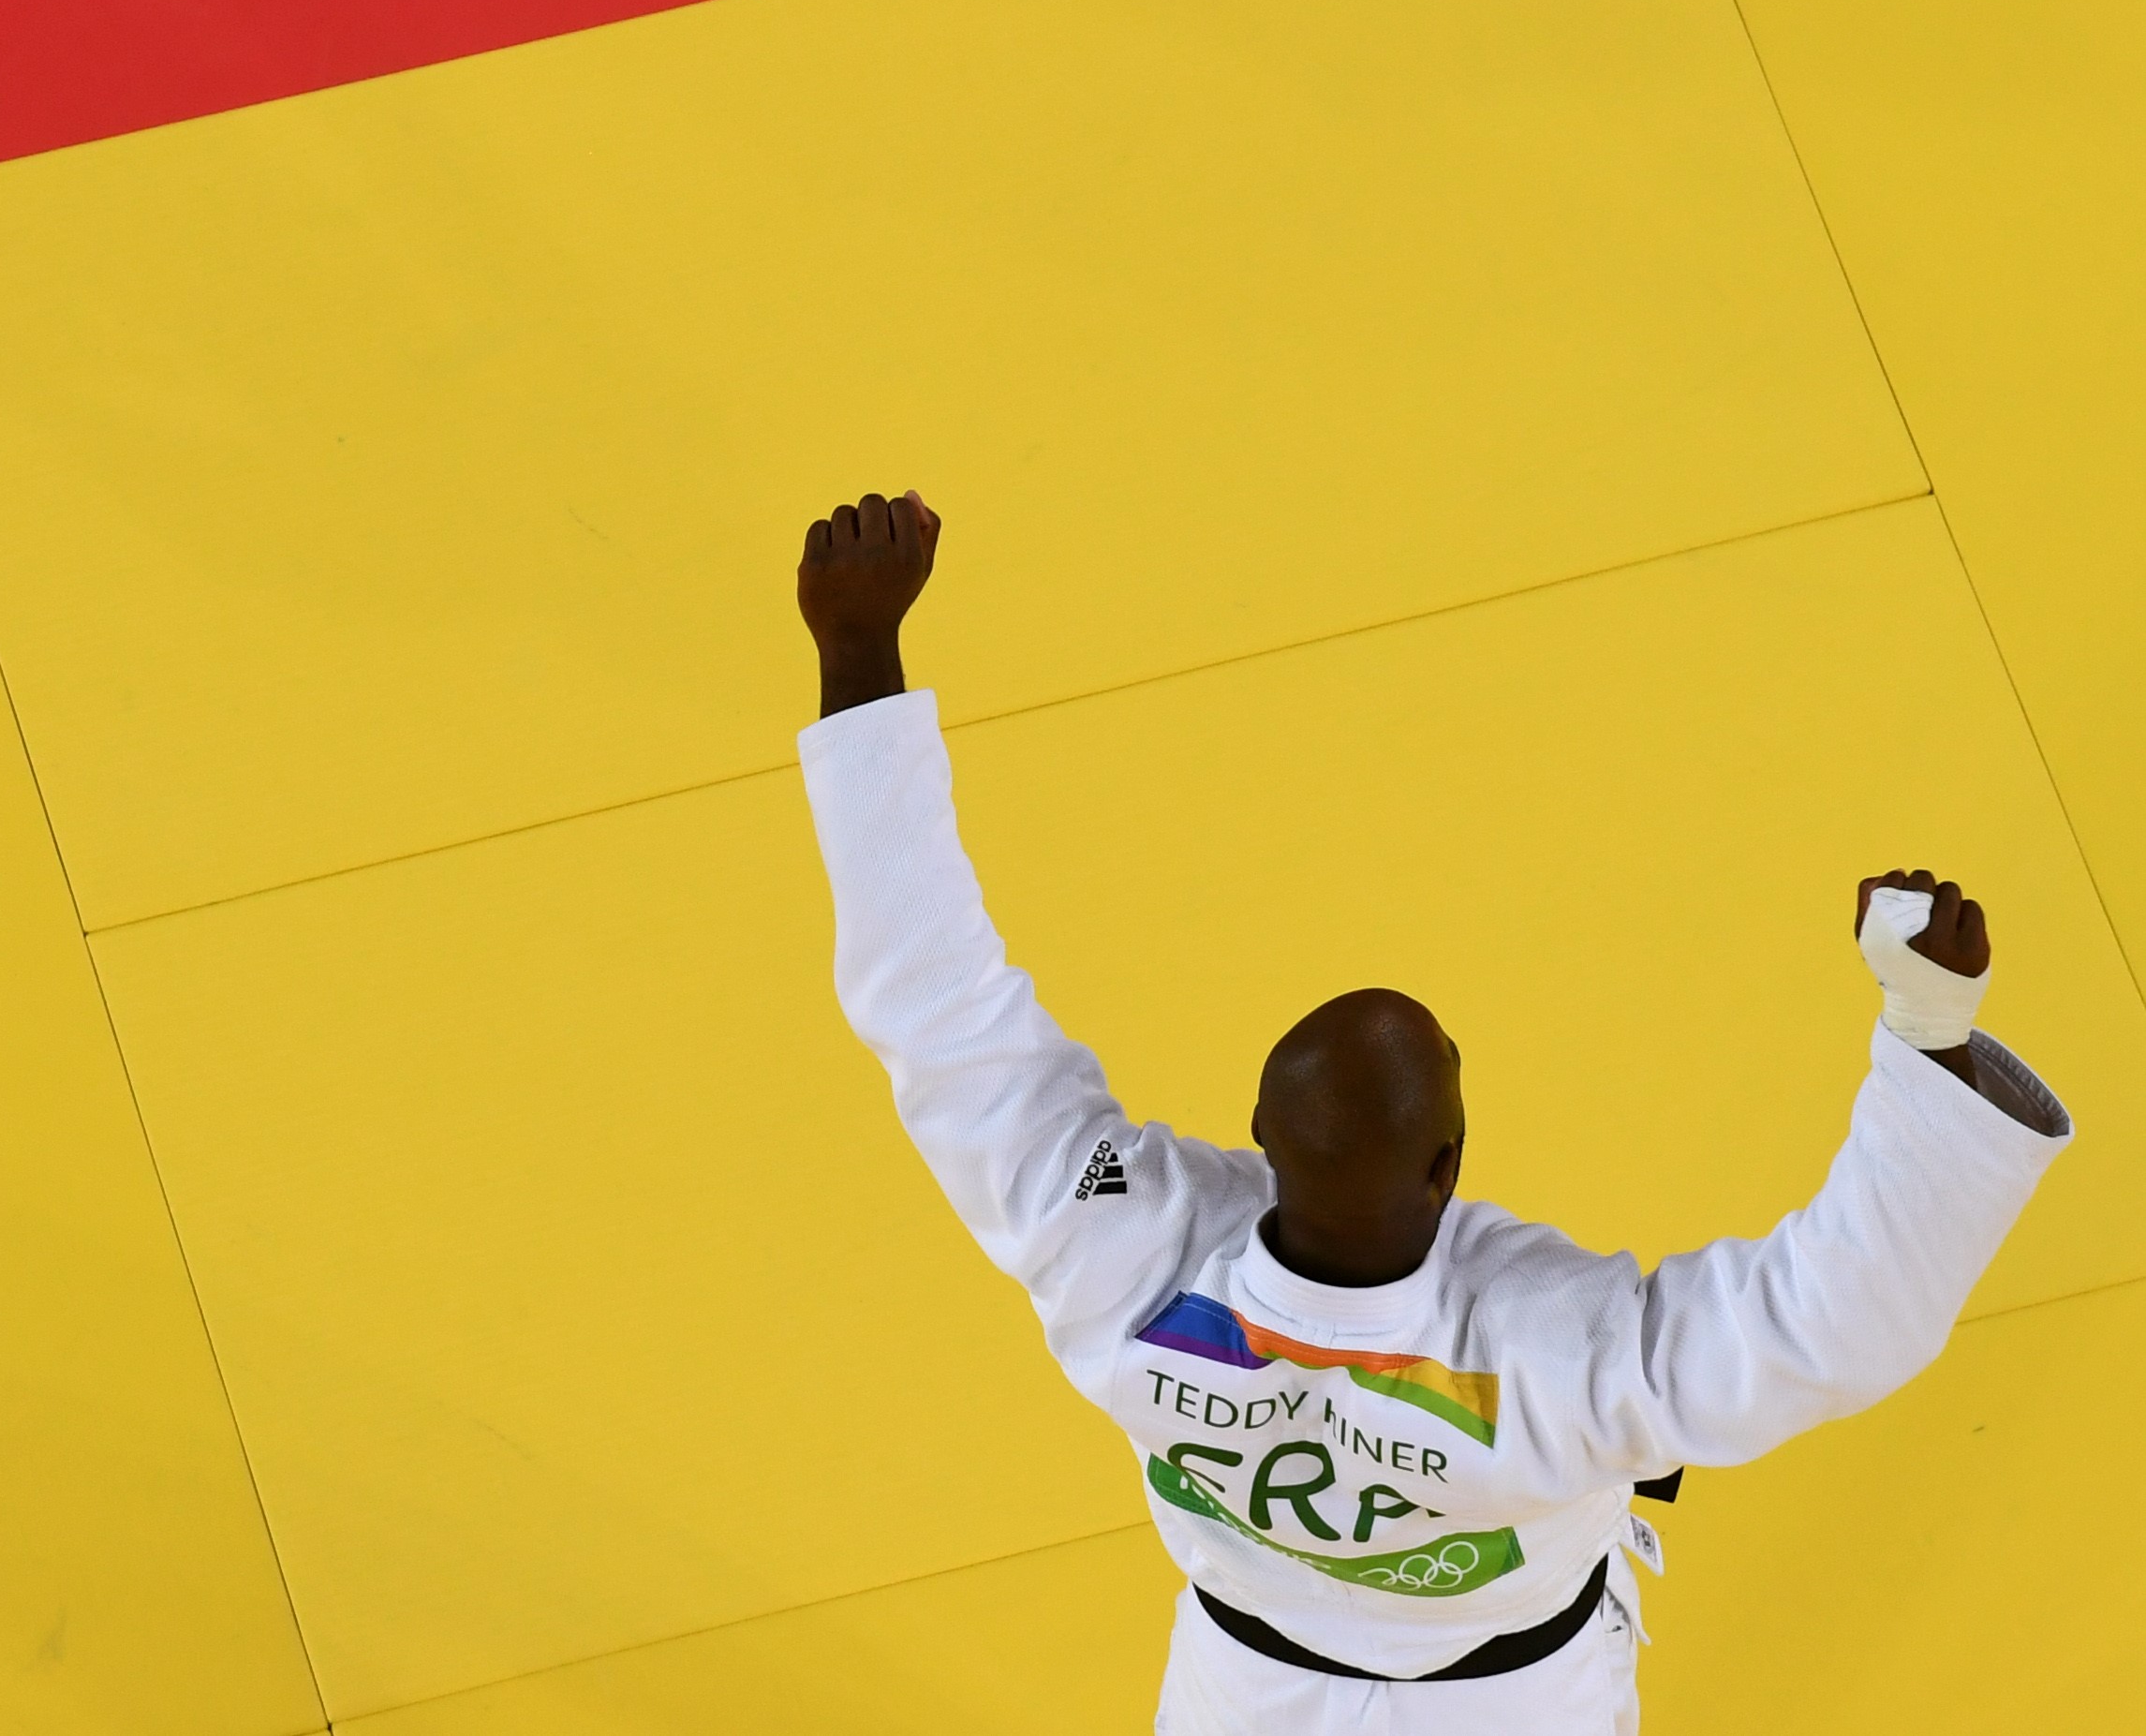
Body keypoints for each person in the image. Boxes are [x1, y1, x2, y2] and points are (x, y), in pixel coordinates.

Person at [794, 490, 2070, 1731]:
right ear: (1449, 1163)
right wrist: (1927, 1034)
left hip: (1244, 1693)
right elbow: (1831, 1319)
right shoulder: (1553, 1348)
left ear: (1254, 1130)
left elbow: (939, 1013)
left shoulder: (1124, 1254)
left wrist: (859, 652)